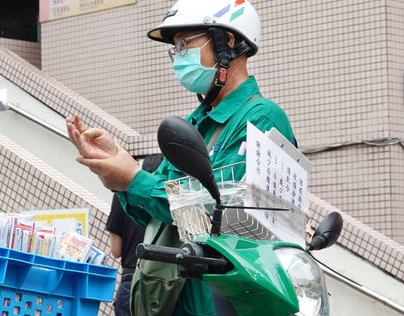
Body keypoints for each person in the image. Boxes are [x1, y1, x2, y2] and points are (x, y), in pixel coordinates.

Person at [66, 0, 295, 315]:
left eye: (185, 44)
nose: (179, 57)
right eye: (175, 49)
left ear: (227, 42)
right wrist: (117, 174)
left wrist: (134, 178)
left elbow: (224, 214)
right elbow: (158, 216)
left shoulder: (261, 118)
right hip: (179, 299)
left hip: (223, 302)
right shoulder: (193, 123)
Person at [106, 154, 163, 316]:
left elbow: (116, 251)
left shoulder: (122, 194)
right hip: (163, 284)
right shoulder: (168, 196)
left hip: (132, 281)